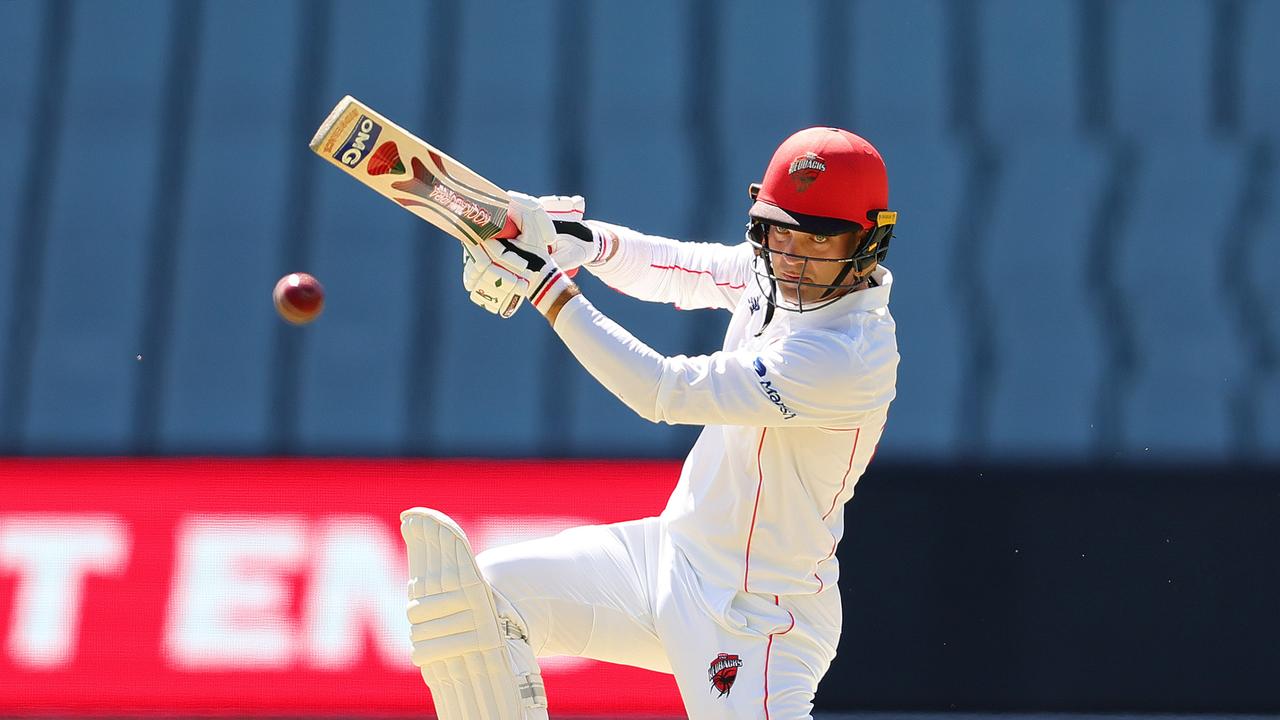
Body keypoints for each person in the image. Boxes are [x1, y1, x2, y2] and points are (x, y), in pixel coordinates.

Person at [400, 127, 899, 719]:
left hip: (756, 615)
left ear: (869, 241)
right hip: (665, 557)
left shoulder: (847, 356)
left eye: (820, 241)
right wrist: (577, 241)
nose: (794, 260)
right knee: (480, 604)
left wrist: (543, 283)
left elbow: (662, 391)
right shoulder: (774, 273)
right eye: (781, 235)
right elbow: (679, 268)